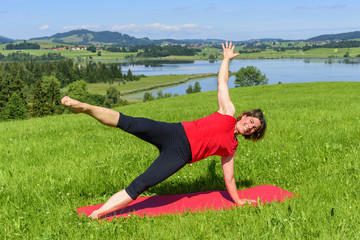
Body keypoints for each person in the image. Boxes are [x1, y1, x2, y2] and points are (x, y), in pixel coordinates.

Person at [61, 42, 266, 219]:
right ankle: (85, 108)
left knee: (141, 184)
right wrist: (226, 59)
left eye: (253, 128)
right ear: (244, 116)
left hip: (180, 155)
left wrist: (238, 201)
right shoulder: (228, 112)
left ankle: (98, 213)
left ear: (251, 134)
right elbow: (222, 82)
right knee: (130, 122)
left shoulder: (231, 147)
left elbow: (228, 178)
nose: (249, 126)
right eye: (250, 121)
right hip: (174, 132)